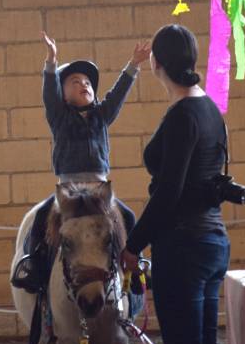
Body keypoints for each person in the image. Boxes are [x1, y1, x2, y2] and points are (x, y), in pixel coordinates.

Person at [121, 24, 235, 344]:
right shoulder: (209, 111)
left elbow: (168, 193)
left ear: (157, 63)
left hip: (184, 249)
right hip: (211, 241)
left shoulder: (183, 115)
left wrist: (133, 244)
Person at [12, 31, 151, 294]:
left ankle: (136, 265)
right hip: (68, 190)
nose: (84, 84)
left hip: (99, 190)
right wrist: (51, 63)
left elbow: (117, 95)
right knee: (41, 217)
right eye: (75, 81)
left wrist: (133, 65)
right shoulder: (59, 117)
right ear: (63, 95)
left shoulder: (101, 116)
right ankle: (32, 266)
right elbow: (49, 95)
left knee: (129, 216)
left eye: (88, 82)